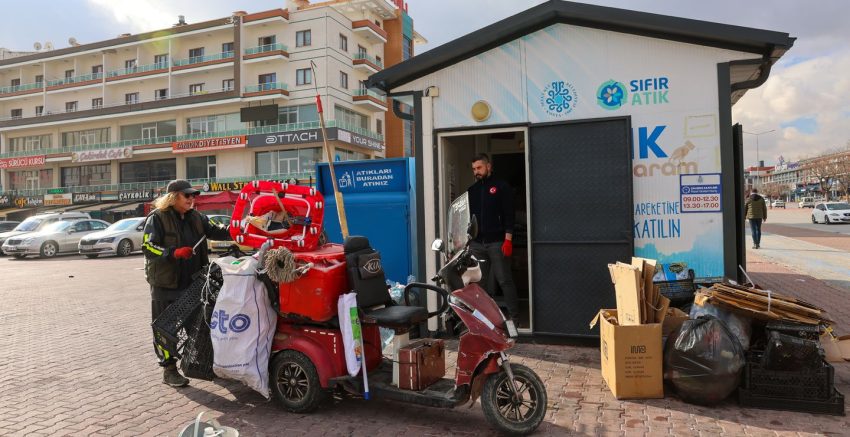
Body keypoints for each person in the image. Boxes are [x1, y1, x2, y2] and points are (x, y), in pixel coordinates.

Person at [142, 179, 232, 387]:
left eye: (193, 196)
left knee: (199, 325)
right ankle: (169, 370)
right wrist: (172, 253)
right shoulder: (157, 218)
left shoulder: (197, 217)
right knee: (165, 328)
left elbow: (218, 231)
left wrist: (238, 228)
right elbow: (148, 246)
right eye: (187, 195)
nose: (192, 199)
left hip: (194, 282)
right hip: (166, 284)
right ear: (173, 197)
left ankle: (200, 363)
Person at [467, 153, 519, 318]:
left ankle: (514, 319)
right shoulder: (472, 191)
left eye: (479, 167)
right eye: (474, 169)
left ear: (488, 166)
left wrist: (508, 239)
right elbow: (467, 218)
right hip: (477, 244)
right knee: (478, 283)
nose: (477, 171)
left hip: (498, 242)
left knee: (504, 280)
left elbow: (509, 214)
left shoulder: (501, 186)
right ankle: (482, 319)